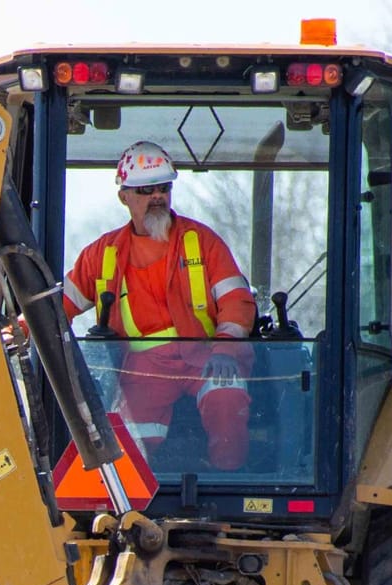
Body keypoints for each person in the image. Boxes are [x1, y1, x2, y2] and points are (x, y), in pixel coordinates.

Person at [62, 141, 258, 470]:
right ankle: (134, 504)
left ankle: (225, 485)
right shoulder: (102, 254)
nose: (157, 197)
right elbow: (58, 307)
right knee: (128, 439)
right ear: (124, 196)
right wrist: (17, 331)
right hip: (141, 370)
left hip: (207, 357)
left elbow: (236, 300)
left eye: (163, 188)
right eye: (145, 190)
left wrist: (225, 350)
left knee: (227, 399)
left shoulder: (202, 241)